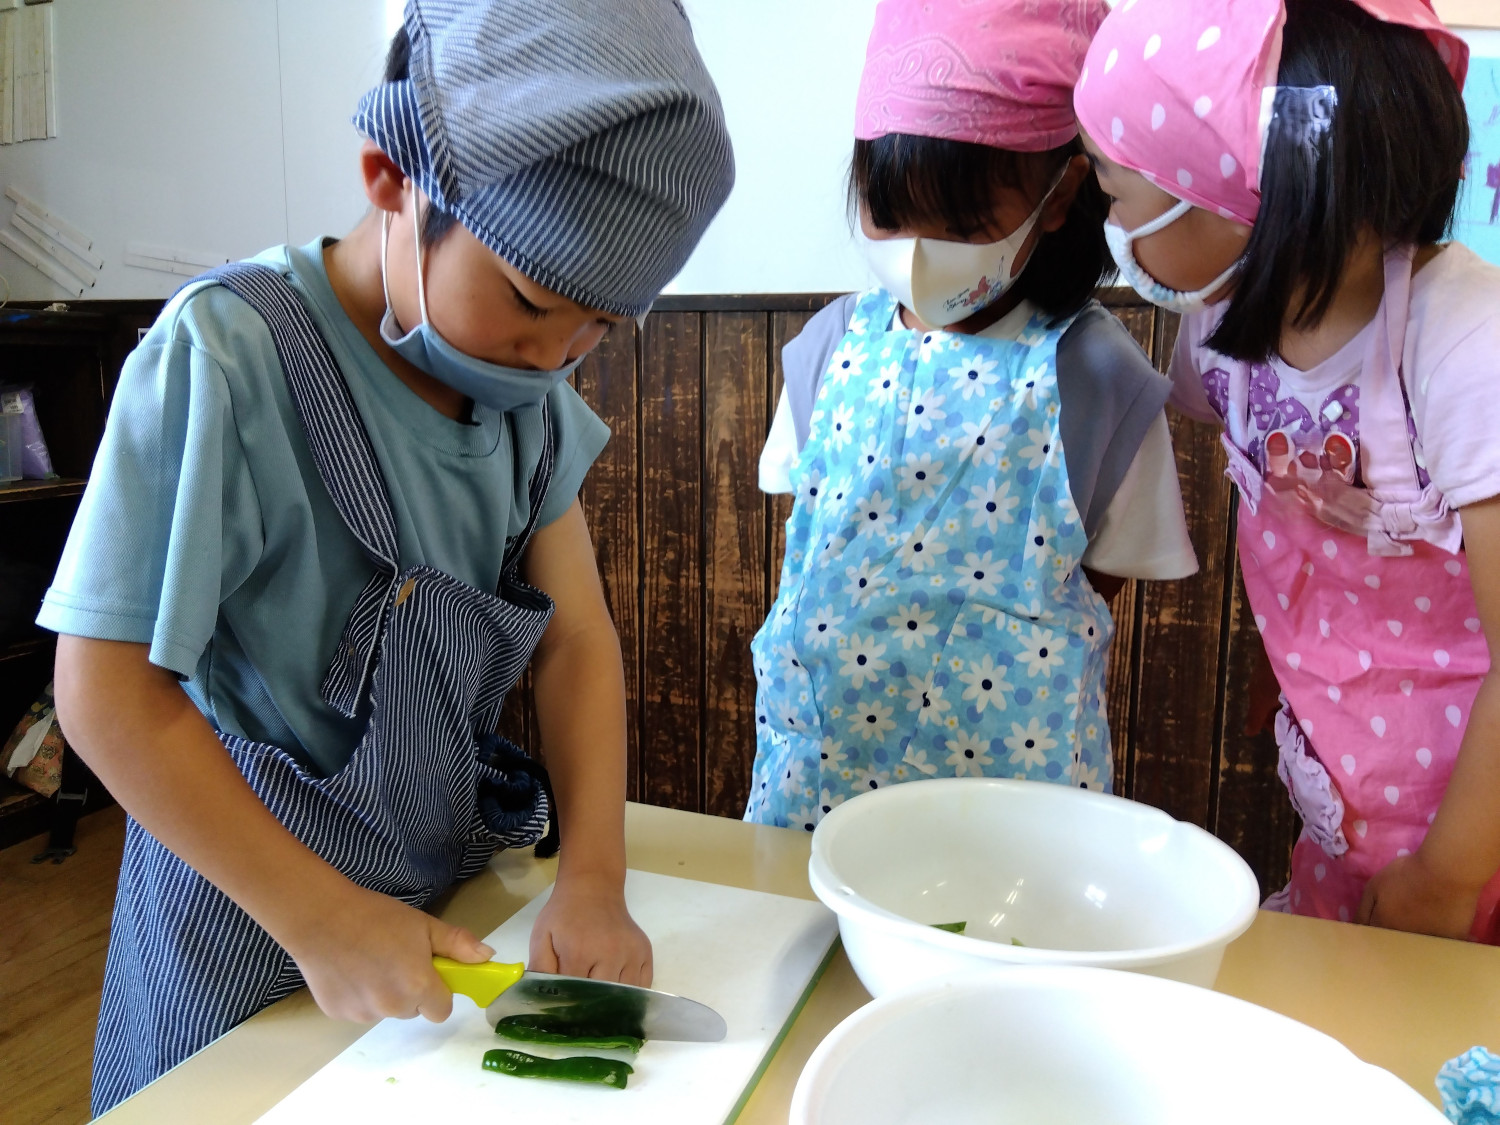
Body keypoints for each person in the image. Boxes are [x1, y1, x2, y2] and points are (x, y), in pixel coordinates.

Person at [40, 1, 734, 1112]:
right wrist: (321, 917)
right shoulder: (227, 357)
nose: (555, 355)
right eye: (530, 302)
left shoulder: (529, 406)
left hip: (438, 911)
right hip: (242, 920)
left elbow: (575, 645)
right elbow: (106, 691)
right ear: (390, 179)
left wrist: (595, 876)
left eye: (600, 329)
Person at [1076, 0, 1500, 941]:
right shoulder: (1222, 335)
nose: (1108, 223)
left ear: (1242, 201)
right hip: (1344, 818)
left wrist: (1448, 872)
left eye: (1113, 194)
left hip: (1473, 852)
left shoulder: (1468, 343)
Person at [747, 0, 1197, 832]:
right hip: (812, 795)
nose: (916, 252)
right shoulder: (825, 354)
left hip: (1014, 830)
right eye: (888, 217)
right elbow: (813, 550)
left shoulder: (1100, 385)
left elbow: (1098, 589)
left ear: (1060, 192)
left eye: (960, 225)